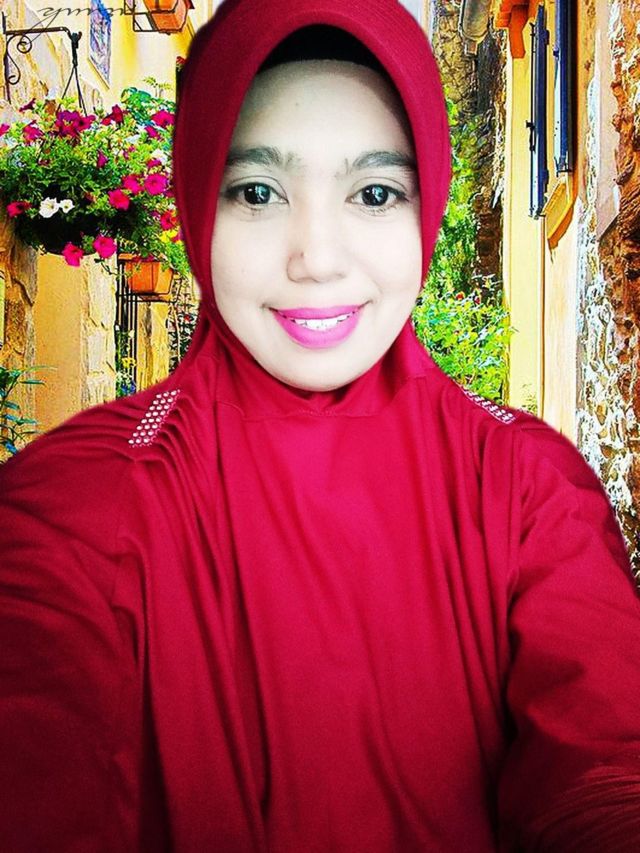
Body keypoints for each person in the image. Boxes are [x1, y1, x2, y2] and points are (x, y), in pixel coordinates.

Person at [1, 0, 639, 849]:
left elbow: (604, 771)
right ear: (197, 203)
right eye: (258, 192)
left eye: (374, 193)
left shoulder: (528, 490)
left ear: (425, 210)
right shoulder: (75, 506)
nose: (317, 258)